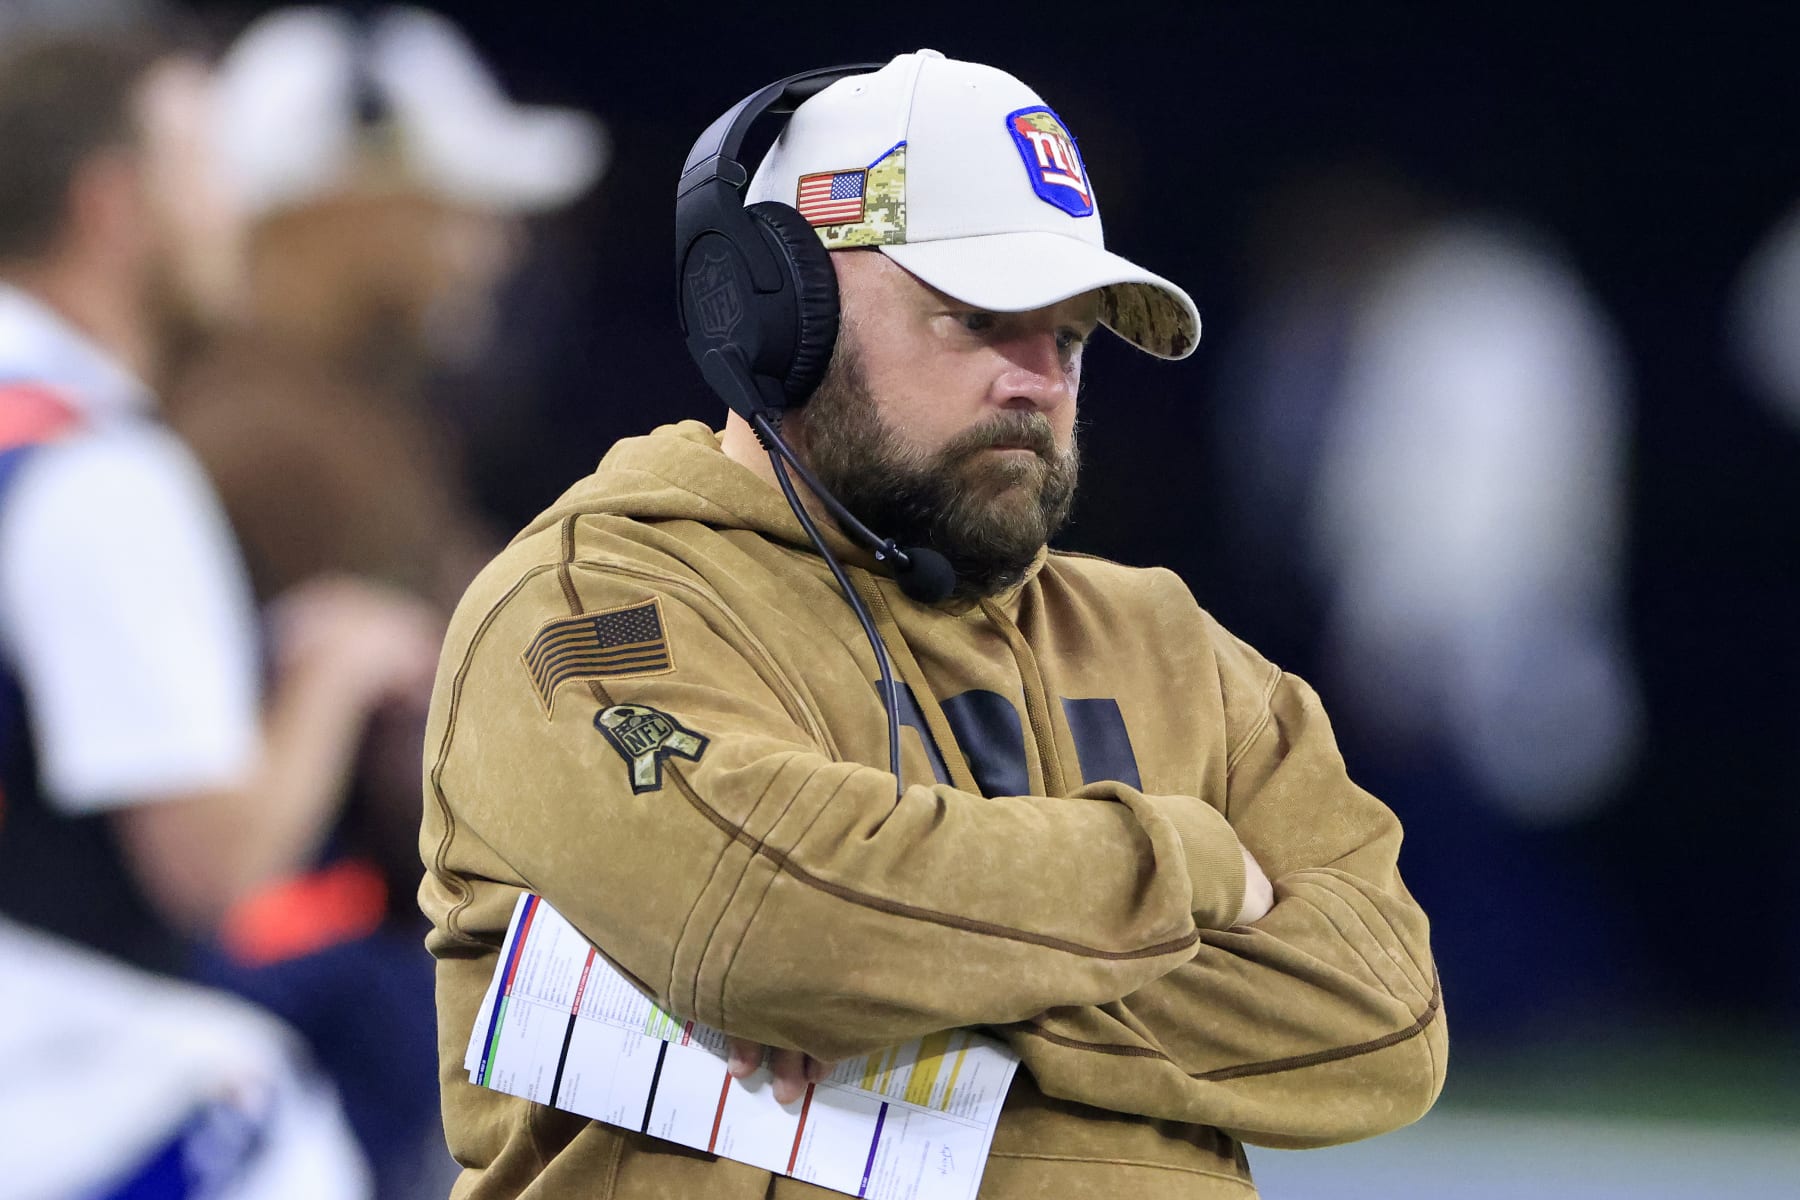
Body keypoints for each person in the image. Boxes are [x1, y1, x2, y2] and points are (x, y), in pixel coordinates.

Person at [423, 50, 1446, 1198]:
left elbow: (1382, 1025)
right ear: (774, 310)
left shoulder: (1177, 648)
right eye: (977, 317)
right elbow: (773, 925)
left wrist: (893, 991)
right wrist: (1191, 866)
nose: (1038, 380)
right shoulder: (588, 605)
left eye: (1066, 337)